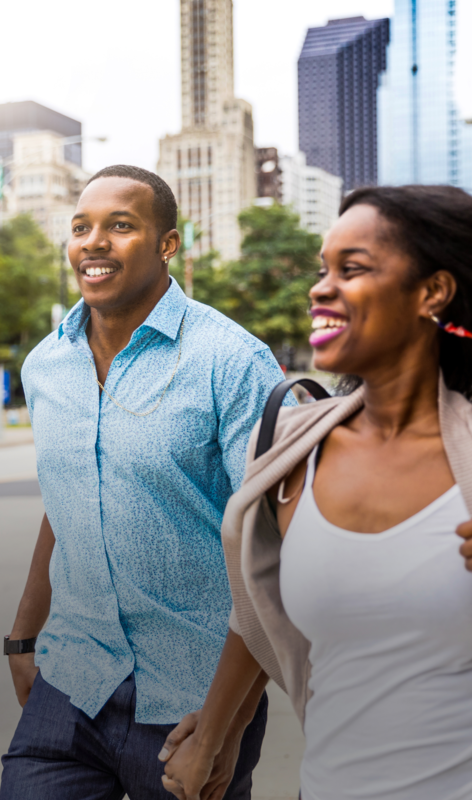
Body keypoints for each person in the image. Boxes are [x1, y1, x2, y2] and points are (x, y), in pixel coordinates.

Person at [161, 185, 472, 800]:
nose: (320, 288)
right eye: (323, 269)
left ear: (432, 292)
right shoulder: (290, 446)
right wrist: (215, 733)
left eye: (351, 270)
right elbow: (254, 611)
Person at [0, 165, 293, 800]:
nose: (93, 241)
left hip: (195, 697)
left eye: (120, 226)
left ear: (168, 244)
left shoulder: (234, 362)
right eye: (81, 227)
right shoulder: (45, 365)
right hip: (73, 680)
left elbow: (274, 550)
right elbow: (72, 495)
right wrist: (24, 634)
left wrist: (225, 726)